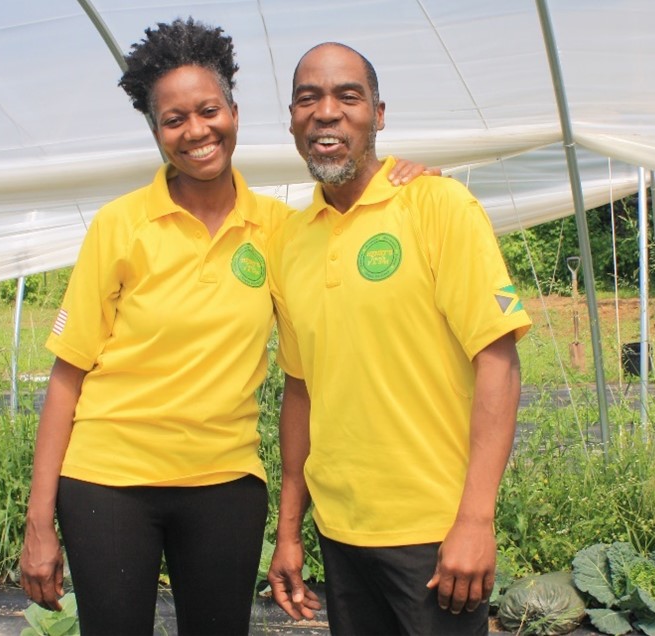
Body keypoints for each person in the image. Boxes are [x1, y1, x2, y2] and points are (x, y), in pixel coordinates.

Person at [18, 19, 431, 636]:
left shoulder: (279, 231)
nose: (196, 132)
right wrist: (38, 521)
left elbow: (350, 216)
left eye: (209, 110)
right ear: (156, 131)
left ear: (234, 111)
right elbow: (67, 376)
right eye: (174, 120)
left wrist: (410, 182)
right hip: (109, 481)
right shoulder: (120, 225)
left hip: (226, 485)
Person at [266, 42, 533, 635]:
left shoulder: (439, 206)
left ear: (379, 115)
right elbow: (301, 390)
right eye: (308, 99)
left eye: (348, 96)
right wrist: (289, 530)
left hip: (435, 535)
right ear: (291, 120)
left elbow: (498, 363)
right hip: (339, 530)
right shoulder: (289, 240)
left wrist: (476, 520)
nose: (326, 112)